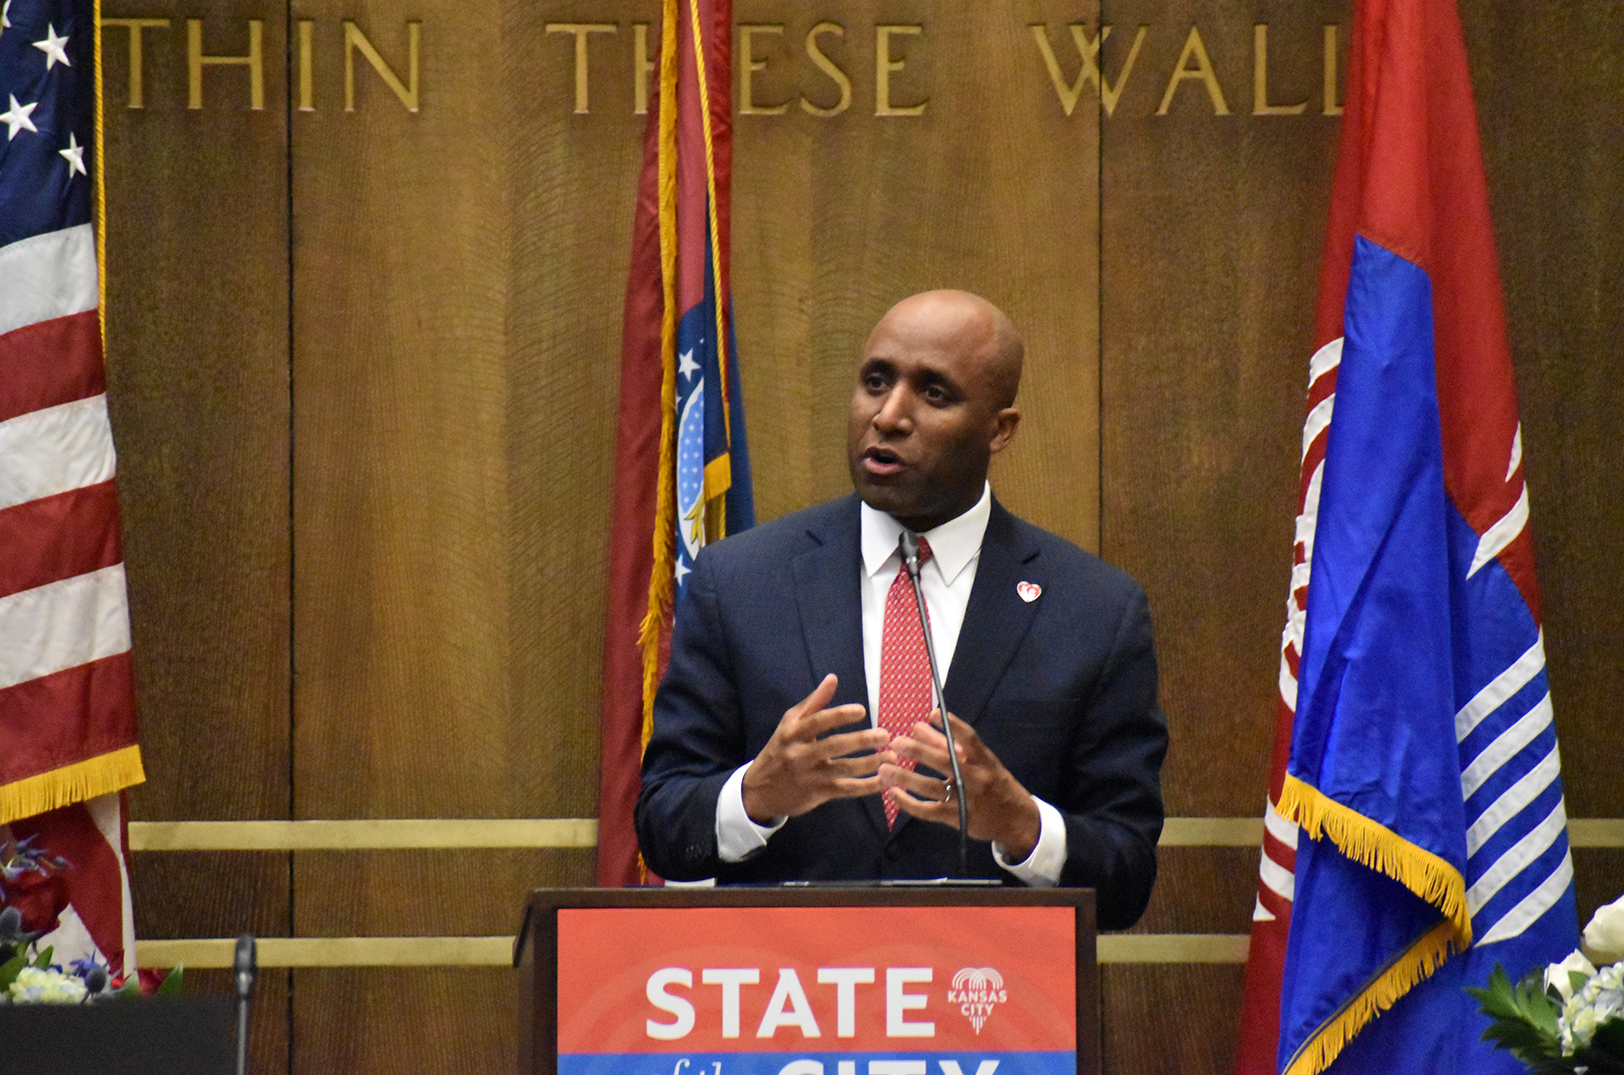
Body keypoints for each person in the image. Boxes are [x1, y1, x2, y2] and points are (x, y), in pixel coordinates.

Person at [634, 289, 1167, 929]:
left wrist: (1023, 826)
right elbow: (663, 824)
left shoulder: (1095, 612)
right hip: (786, 1002)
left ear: (999, 430)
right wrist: (756, 796)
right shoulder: (742, 583)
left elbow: (1128, 874)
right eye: (876, 382)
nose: (888, 416)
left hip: (993, 1006)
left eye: (933, 393)